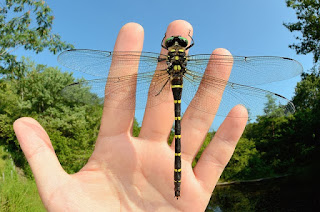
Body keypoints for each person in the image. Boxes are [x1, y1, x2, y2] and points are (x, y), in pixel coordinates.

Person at [13, 20, 248, 211]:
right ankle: (176, 181)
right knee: (176, 122)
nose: (177, 43)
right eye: (174, 42)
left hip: (167, 84)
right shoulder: (183, 56)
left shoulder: (166, 59)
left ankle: (176, 182)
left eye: (180, 42)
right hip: (171, 86)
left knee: (177, 120)